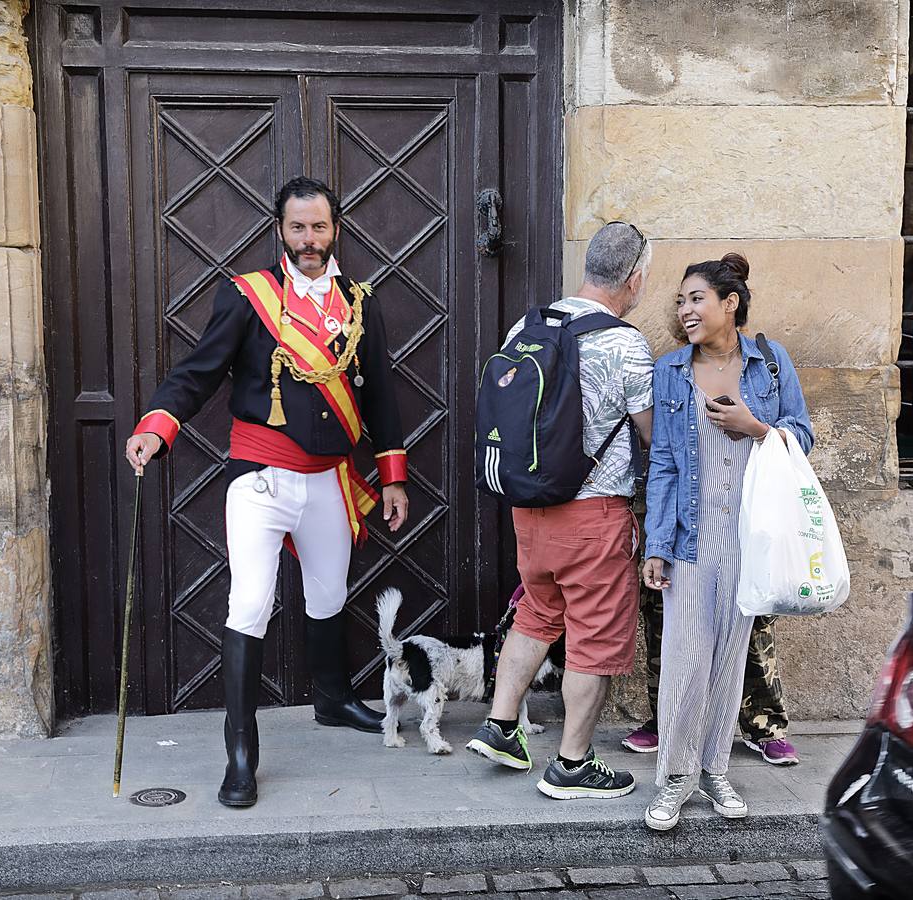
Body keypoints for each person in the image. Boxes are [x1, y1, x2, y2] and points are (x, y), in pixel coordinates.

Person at [123, 176, 409, 809]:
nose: (310, 240)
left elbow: (381, 395)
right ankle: (241, 749)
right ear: (280, 230)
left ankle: (331, 700)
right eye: (298, 228)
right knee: (249, 603)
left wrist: (391, 475)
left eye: (320, 227)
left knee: (330, 593)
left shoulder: (359, 302)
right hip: (261, 479)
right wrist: (156, 427)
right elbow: (197, 374)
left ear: (336, 230)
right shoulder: (249, 298)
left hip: (330, 479)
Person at [465, 221, 654, 800]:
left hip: (531, 508)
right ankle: (573, 765)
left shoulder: (532, 323)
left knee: (537, 613)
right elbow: (652, 436)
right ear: (635, 278)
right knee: (593, 640)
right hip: (594, 515)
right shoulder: (626, 343)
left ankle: (500, 727)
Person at [640, 253, 813, 831]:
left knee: (729, 662)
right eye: (681, 301)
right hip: (693, 537)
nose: (685, 310)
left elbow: (802, 437)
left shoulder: (770, 363)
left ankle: (714, 772)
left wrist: (756, 428)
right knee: (686, 661)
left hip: (750, 538)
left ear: (729, 303)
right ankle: (674, 779)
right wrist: (657, 544)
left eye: (696, 299)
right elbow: (663, 461)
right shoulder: (671, 371)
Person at [622, 533, 799, 765]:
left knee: (754, 633)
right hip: (681, 535)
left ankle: (765, 725)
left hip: (747, 534)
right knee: (667, 630)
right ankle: (666, 723)